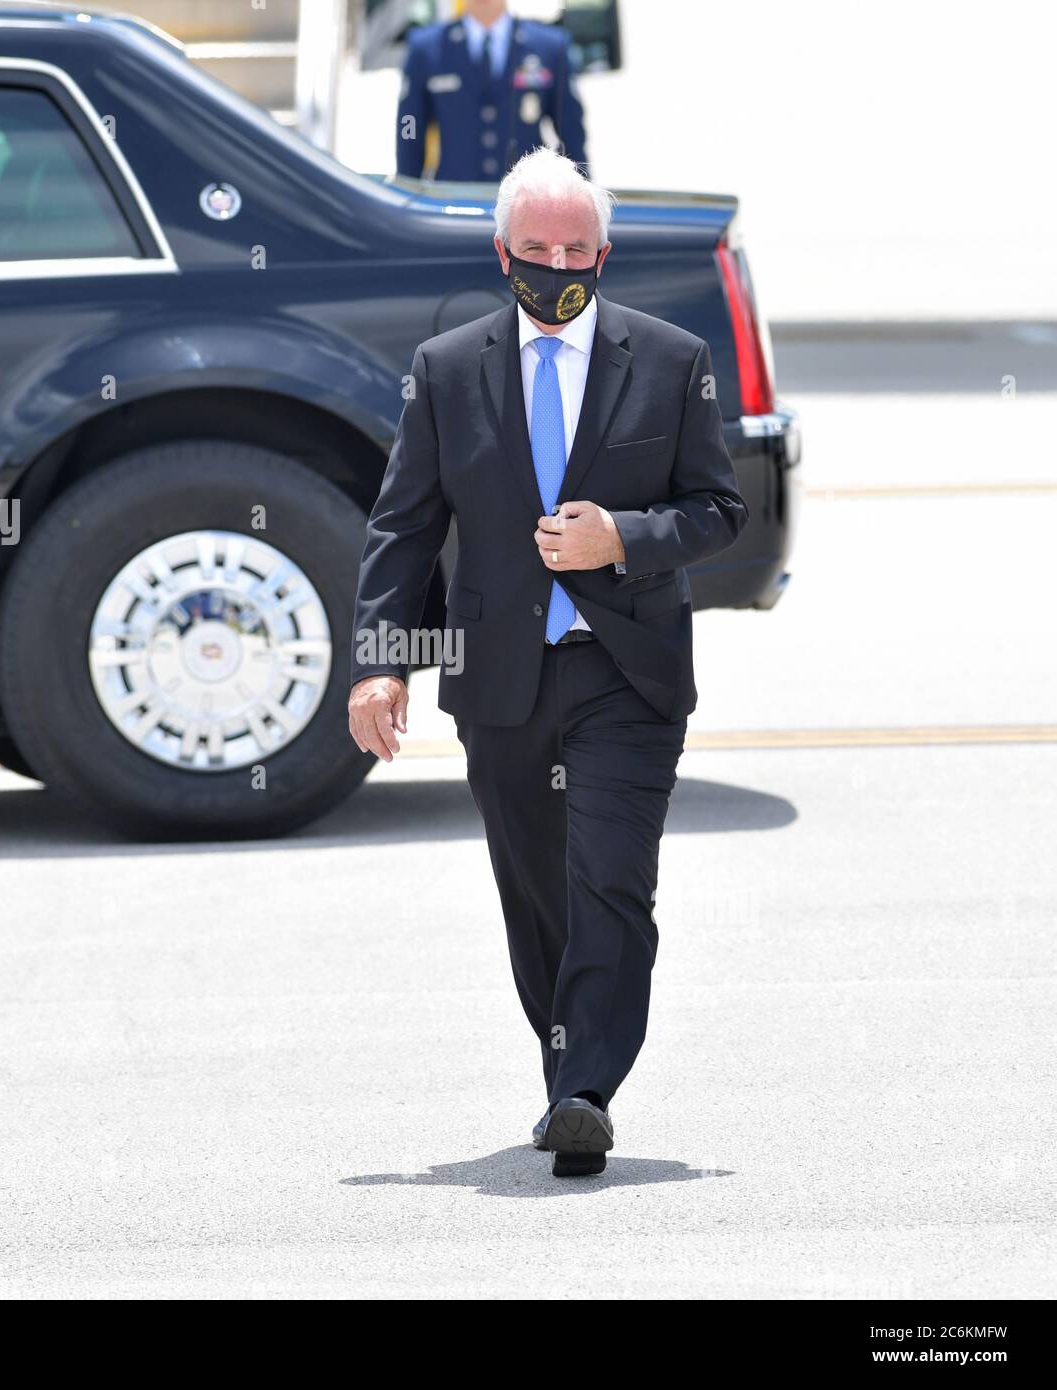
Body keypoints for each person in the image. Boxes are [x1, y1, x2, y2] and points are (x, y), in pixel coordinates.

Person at [347, 148, 749, 1177]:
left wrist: (622, 536)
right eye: (536, 249)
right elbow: (402, 527)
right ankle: (561, 1062)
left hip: (627, 672)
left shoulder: (668, 360)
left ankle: (584, 1091)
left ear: (603, 253)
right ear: (501, 253)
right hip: (500, 680)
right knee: (537, 892)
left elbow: (717, 509)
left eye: (575, 248)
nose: (556, 264)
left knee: (610, 877)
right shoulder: (444, 371)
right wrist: (382, 663)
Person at [396, 0, 588, 181]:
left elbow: (571, 129)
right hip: (453, 200)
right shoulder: (426, 48)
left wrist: (581, 193)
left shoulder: (549, 46)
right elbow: (410, 123)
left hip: (524, 202)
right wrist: (406, 189)